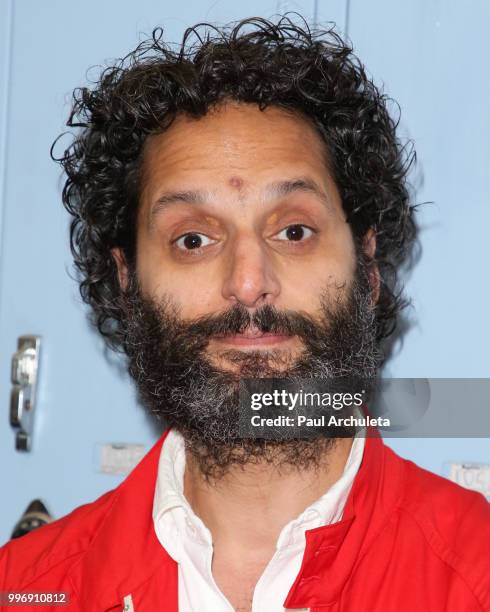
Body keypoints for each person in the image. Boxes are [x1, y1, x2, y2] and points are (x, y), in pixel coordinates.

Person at [1, 16, 488, 612]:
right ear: (127, 281)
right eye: (192, 240)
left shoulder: (475, 574)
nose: (249, 283)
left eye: (294, 230)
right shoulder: (24, 588)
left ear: (368, 268)